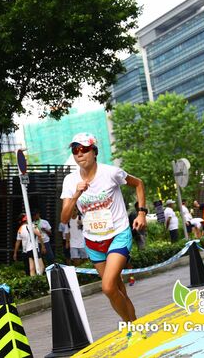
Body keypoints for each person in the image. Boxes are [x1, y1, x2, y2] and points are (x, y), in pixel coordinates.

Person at [60, 132, 147, 338]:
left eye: (84, 149)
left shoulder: (111, 173)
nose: (79, 154)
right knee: (118, 289)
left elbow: (139, 183)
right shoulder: (70, 181)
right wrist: (76, 194)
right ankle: (135, 327)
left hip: (118, 234)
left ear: (94, 152)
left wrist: (142, 213)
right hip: (93, 241)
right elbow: (64, 218)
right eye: (75, 150)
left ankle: (131, 327)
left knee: (107, 287)